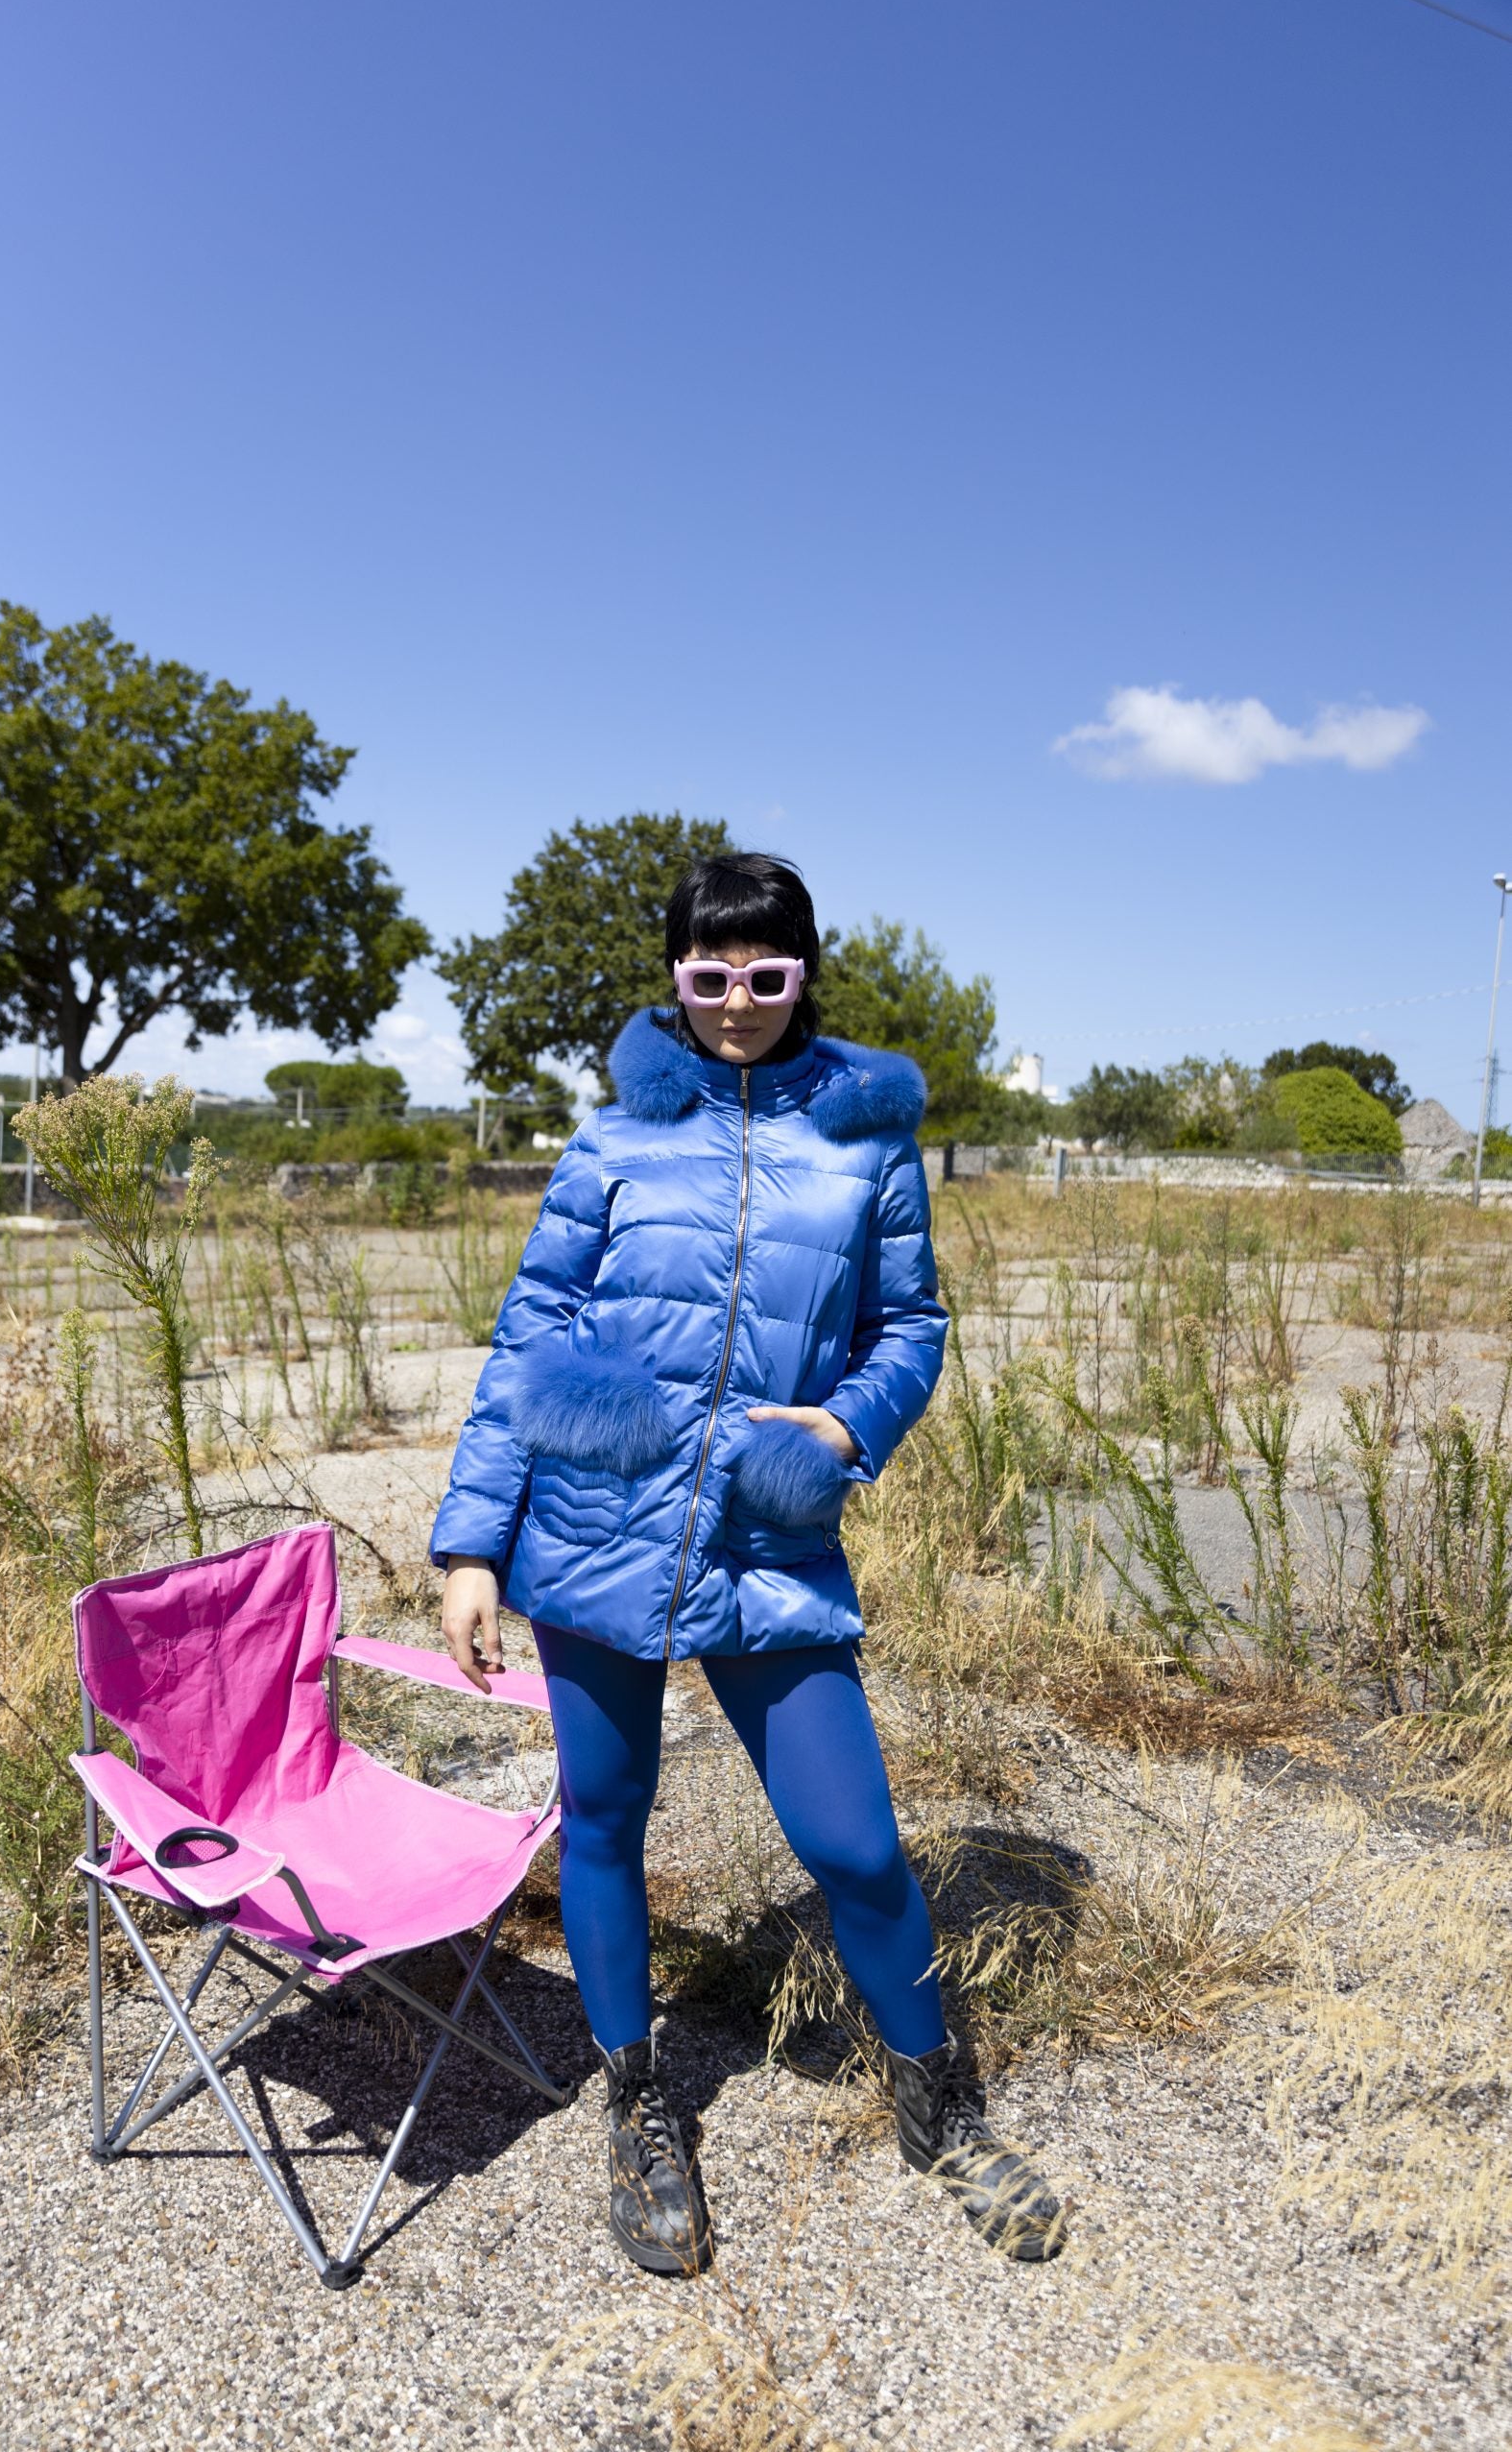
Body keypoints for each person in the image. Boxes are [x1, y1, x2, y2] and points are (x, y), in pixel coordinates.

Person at [432, 852, 1066, 2273]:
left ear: (802, 976)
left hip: (769, 1530)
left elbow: (913, 1327)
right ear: (675, 976)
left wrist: (845, 1428)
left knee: (854, 1842)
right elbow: (531, 1337)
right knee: (603, 1820)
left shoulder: (866, 1145)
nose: (735, 1002)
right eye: (707, 974)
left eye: (765, 975)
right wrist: (474, 1541)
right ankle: (639, 2098)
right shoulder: (607, 1147)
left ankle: (939, 2103)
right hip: (593, 1525)